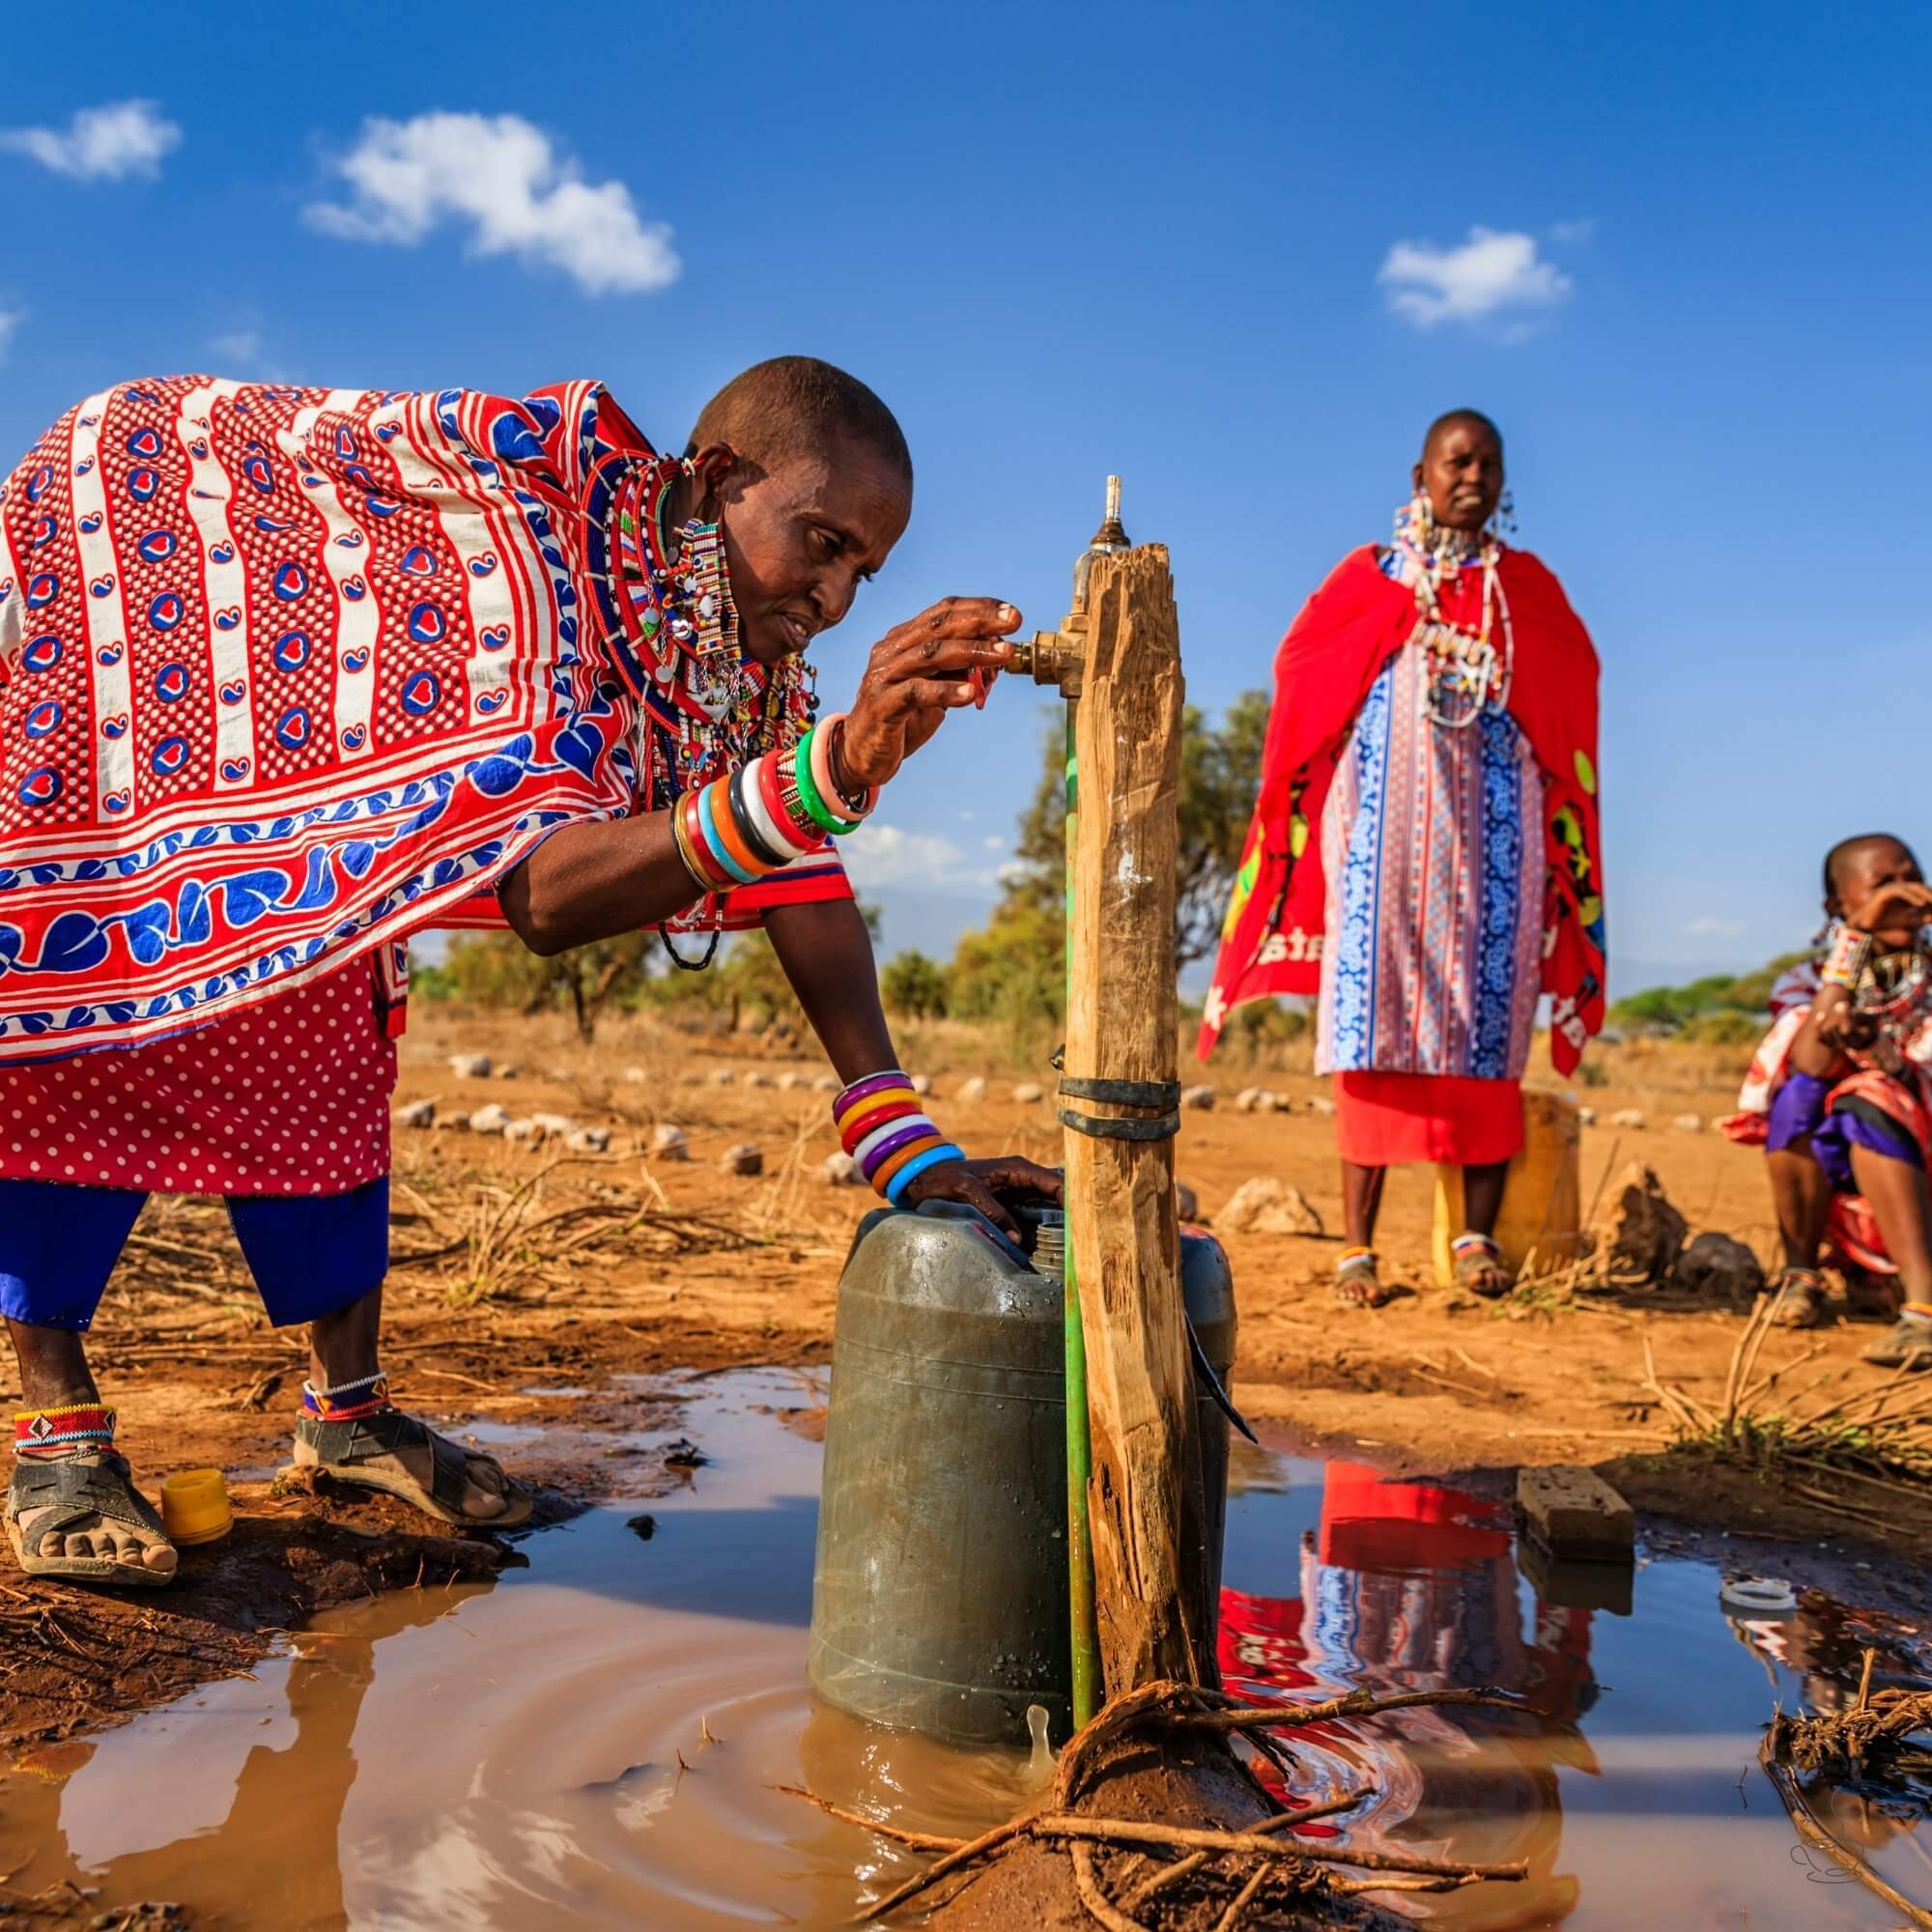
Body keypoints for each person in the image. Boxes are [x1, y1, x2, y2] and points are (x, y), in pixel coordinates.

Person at [0, 358, 1058, 1586]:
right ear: (716, 481)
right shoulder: (537, 557)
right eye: (820, 543)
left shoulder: (736, 658)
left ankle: (347, 1413)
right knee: (103, 1009)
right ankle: (53, 1430)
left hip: (301, 785)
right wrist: (837, 764)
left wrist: (909, 1152)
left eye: (861, 571)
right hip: (150, 635)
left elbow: (799, 874)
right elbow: (542, 890)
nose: (831, 594)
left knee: (329, 1039)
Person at [1200, 412, 1605, 1306]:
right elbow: (1303, 662)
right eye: (1458, 461)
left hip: (1498, 847)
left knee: (1488, 1036)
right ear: (1421, 471)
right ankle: (1358, 1251)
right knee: (1371, 1030)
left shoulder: (1524, 587)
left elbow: (1574, 677)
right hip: (1383, 843)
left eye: (1490, 464)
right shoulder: (1375, 576)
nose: (1475, 476)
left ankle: (1474, 1240)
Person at [1719, 834, 1932, 1368]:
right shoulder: (1812, 982)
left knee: (1871, 1097)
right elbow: (1810, 1064)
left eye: (1910, 877)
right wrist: (1856, 944)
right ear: (1837, 907)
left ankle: (1924, 1309)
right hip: (1856, 1170)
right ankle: (1801, 1272)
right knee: (1798, 1097)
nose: (1903, 894)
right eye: (1883, 884)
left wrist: (1881, 1057)